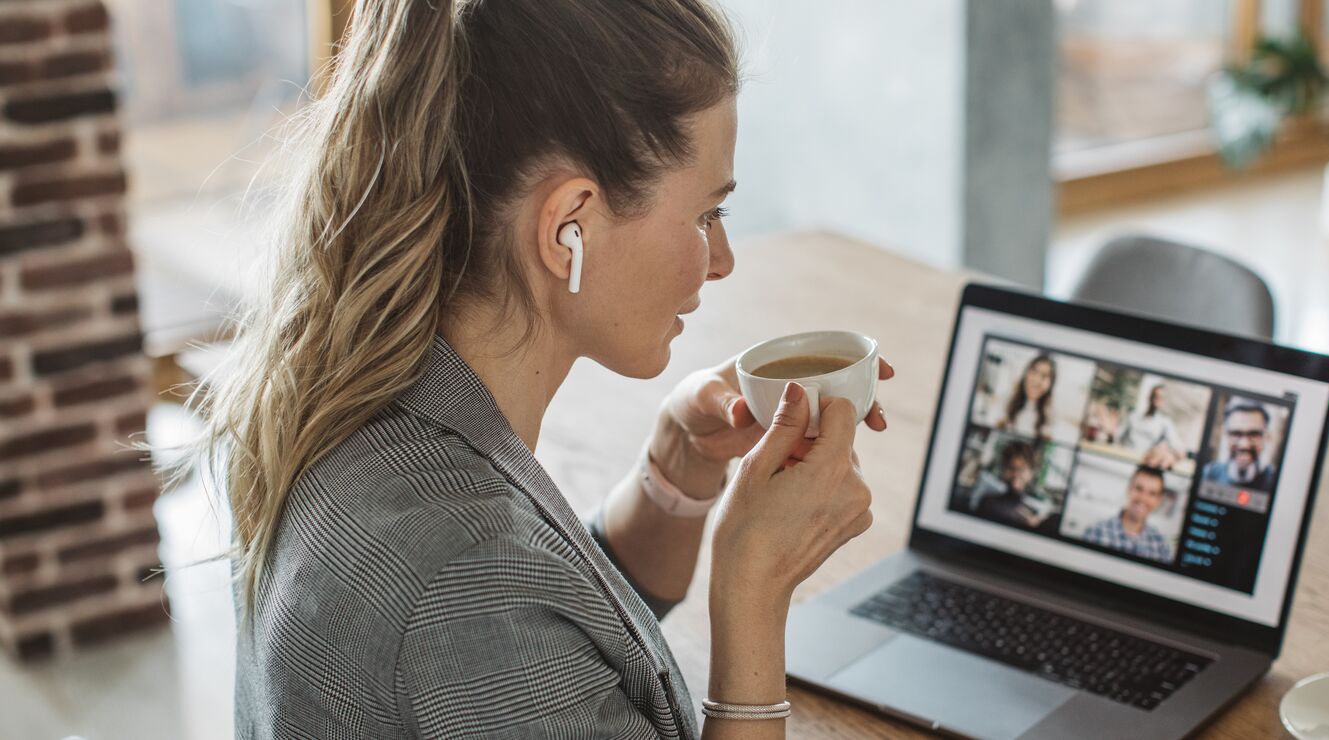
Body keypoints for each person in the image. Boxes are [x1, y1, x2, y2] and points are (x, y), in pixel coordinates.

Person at [198, 3, 894, 737]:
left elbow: (552, 640)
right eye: (704, 216)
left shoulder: (372, 401)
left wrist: (677, 470)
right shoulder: (466, 577)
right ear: (569, 228)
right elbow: (490, 606)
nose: (721, 261)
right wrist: (754, 587)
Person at [1081, 466, 1174, 562]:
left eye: (1152, 493)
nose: (1143, 498)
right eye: (1139, 489)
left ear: (1158, 501)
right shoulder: (1095, 532)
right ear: (1129, 489)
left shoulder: (1161, 546)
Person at [1202, 398, 1278, 490]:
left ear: (1266, 437)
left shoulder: (1276, 481)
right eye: (1236, 434)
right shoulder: (1208, 475)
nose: (1244, 445)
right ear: (1226, 435)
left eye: (1254, 434)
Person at [971, 440, 1045, 529]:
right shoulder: (988, 503)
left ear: (1031, 474)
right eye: (1011, 468)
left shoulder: (1034, 514)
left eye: (1022, 469)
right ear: (1003, 470)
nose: (1016, 474)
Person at [1116, 382, 1187, 469]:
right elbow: (1117, 437)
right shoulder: (1133, 416)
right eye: (1155, 396)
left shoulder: (1164, 423)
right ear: (1149, 397)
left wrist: (1171, 454)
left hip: (1145, 465)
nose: (1156, 400)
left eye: (1161, 398)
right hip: (1125, 460)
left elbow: (1179, 447)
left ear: (1163, 401)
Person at [995, 353, 1055, 440]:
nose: (1037, 380)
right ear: (1026, 373)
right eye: (1034, 372)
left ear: (1051, 383)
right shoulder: (1006, 401)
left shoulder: (1051, 416)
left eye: (1044, 376)